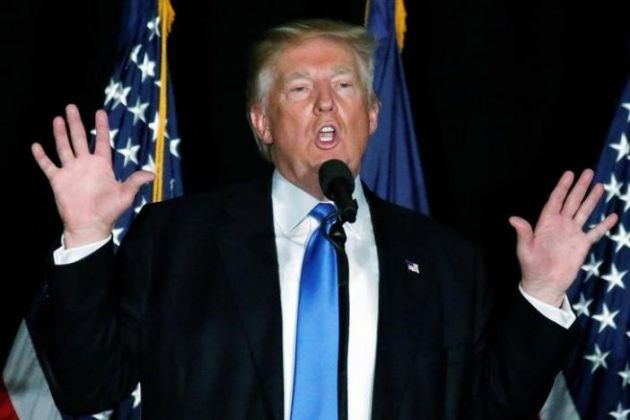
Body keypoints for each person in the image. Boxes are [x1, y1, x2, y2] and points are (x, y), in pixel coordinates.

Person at [30, 20, 617, 419]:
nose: (326, 102)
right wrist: (84, 236)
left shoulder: (443, 261)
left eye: (343, 86)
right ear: (261, 122)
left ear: (373, 113)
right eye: (300, 87)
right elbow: (89, 387)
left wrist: (541, 293)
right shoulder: (178, 239)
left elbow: (494, 408)